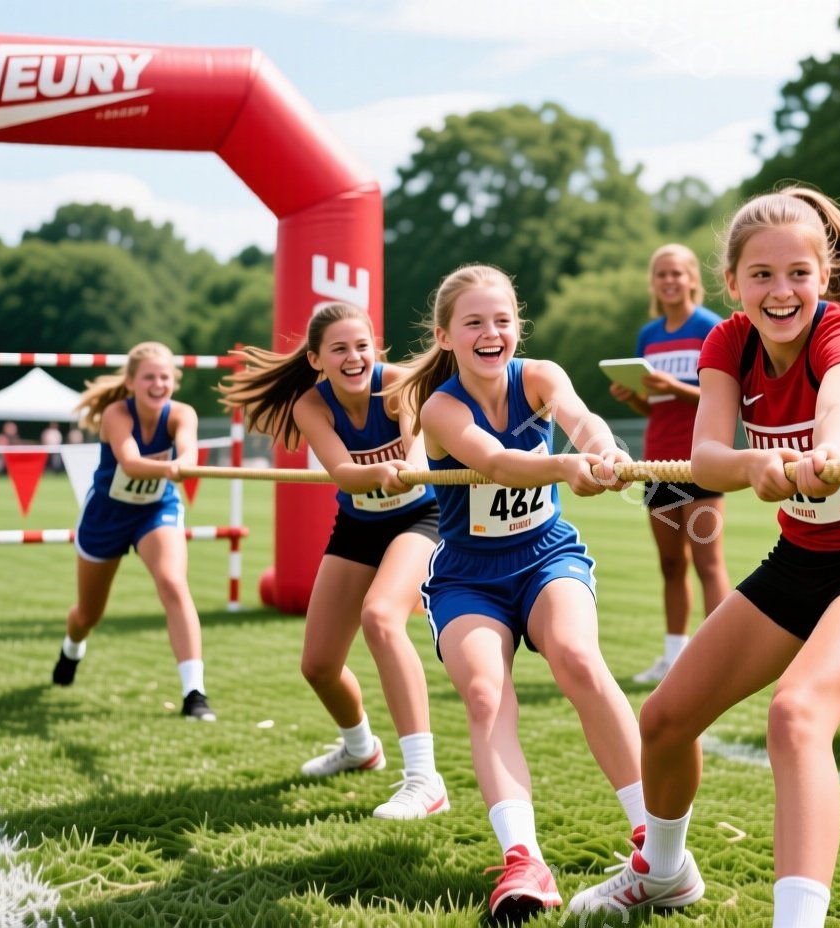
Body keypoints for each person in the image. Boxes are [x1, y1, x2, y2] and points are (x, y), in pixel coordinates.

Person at [569, 186, 840, 928]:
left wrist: (826, 454)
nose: (782, 291)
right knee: (667, 718)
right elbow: (706, 455)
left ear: (825, 277)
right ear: (733, 284)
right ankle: (666, 872)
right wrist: (749, 468)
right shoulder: (728, 342)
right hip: (799, 559)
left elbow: (838, 410)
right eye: (762, 275)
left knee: (797, 714)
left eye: (799, 273)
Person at [384, 263, 645, 921]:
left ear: (516, 327)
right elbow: (495, 463)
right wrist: (565, 464)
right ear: (445, 336)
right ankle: (524, 860)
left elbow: (581, 419)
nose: (490, 332)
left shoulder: (541, 376)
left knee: (577, 658)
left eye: (501, 320)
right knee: (483, 692)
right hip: (469, 576)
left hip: (547, 555)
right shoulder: (441, 406)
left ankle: (652, 833)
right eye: (473, 322)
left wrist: (603, 450)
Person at [220, 301, 449, 820]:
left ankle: (424, 778)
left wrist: (406, 469)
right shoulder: (311, 405)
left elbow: (417, 454)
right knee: (319, 665)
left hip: (423, 517)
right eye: (340, 349)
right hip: (359, 525)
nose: (354, 356)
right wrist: (376, 474)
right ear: (317, 359)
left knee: (382, 618)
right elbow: (344, 473)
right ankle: (360, 748)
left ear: (377, 349)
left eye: (362, 345)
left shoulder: (398, 384)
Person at [53, 342, 212, 721]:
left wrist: (184, 463)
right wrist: (169, 469)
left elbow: (188, 451)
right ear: (130, 382)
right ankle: (72, 647)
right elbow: (131, 462)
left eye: (165, 377)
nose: (158, 384)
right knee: (88, 614)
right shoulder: (115, 414)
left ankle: (195, 694)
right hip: (106, 515)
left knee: (173, 583)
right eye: (149, 377)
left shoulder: (181, 414)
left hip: (156, 510)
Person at [609, 244, 730, 683]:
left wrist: (672, 385)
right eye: (661, 274)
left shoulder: (711, 328)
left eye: (677, 273)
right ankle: (674, 656)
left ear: (693, 278)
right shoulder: (649, 335)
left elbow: (721, 398)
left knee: (707, 562)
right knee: (670, 564)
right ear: (653, 282)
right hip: (657, 461)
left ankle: (720, 657)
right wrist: (637, 395)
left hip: (701, 459)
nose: (669, 281)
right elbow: (654, 409)